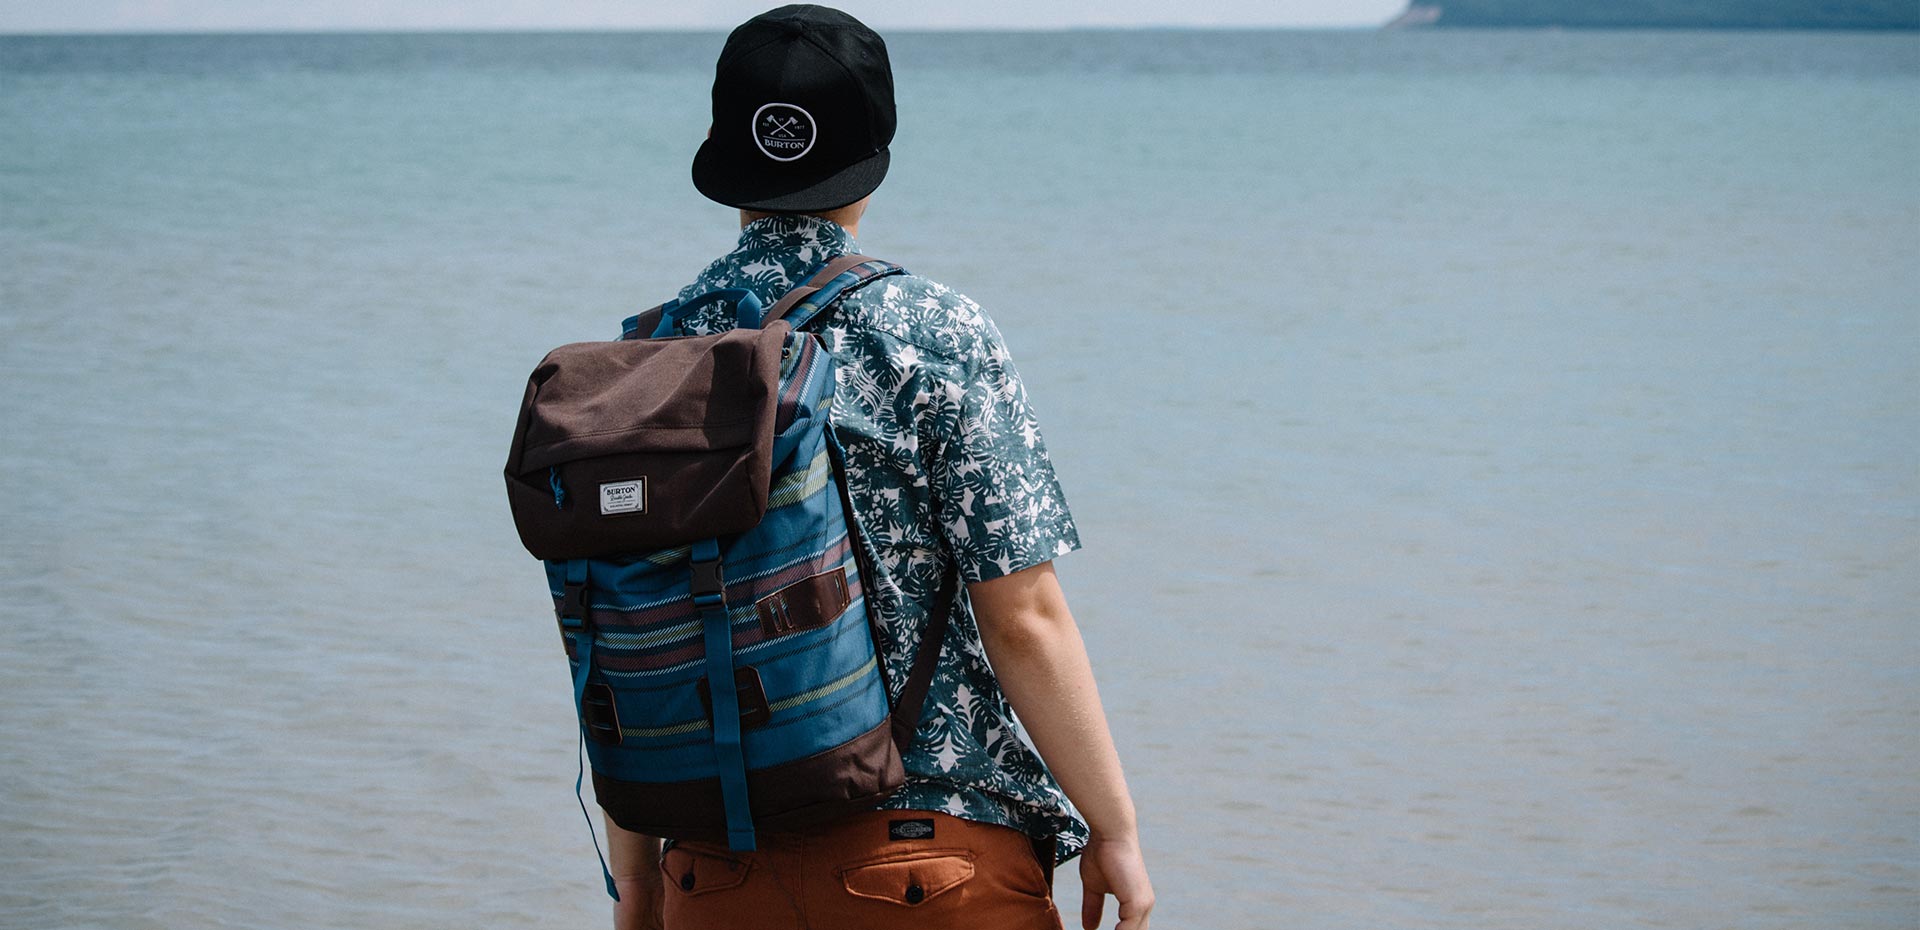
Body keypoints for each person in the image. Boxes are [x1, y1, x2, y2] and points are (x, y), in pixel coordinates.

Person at [604, 7, 1153, 929]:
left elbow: (633, 641)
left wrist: (638, 883)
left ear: (723, 158)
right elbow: (1022, 617)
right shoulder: (934, 332)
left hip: (713, 872)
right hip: (930, 860)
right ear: (873, 157)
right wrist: (1115, 828)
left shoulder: (648, 355)